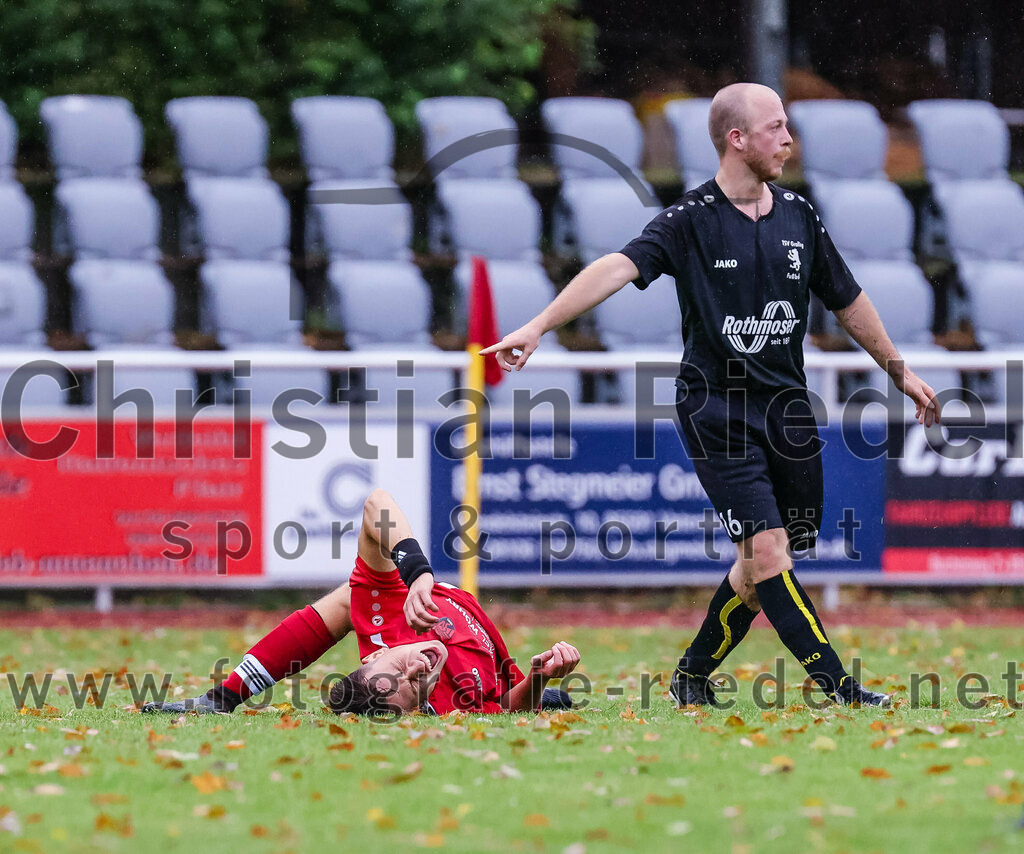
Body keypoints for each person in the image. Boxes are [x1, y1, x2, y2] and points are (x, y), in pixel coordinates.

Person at [481, 82, 941, 708]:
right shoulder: (690, 220)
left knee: (762, 566)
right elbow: (617, 266)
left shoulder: (800, 215)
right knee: (769, 548)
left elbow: (847, 300)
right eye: (776, 126)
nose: (788, 138)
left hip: (788, 411)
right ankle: (843, 689)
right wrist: (537, 326)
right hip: (715, 409)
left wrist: (897, 370)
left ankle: (691, 677)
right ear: (737, 138)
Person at [144, 489, 580, 716]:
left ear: (377, 655)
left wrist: (416, 574)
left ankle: (223, 697)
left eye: (396, 669)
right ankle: (222, 698)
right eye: (413, 689)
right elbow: (504, 709)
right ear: (415, 711)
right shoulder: (451, 705)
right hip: (502, 681)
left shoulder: (388, 618)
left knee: (350, 601)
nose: (417, 669)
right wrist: (539, 681)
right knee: (347, 602)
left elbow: (377, 505)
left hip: (387, 601)